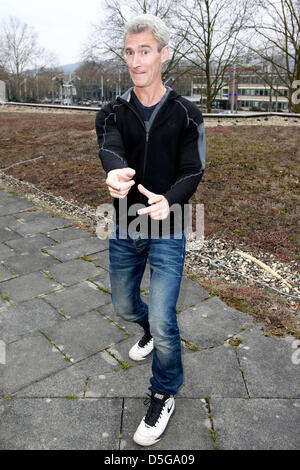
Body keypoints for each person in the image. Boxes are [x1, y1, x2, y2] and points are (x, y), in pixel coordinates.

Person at [95, 14, 205, 447]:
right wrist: (115, 171)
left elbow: (193, 169)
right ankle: (145, 330)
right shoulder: (112, 110)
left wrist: (170, 201)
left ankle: (164, 390)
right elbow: (110, 146)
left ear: (164, 54)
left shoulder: (186, 113)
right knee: (125, 307)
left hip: (170, 226)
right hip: (124, 224)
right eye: (129, 52)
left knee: (163, 317)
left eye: (145, 51)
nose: (136, 61)